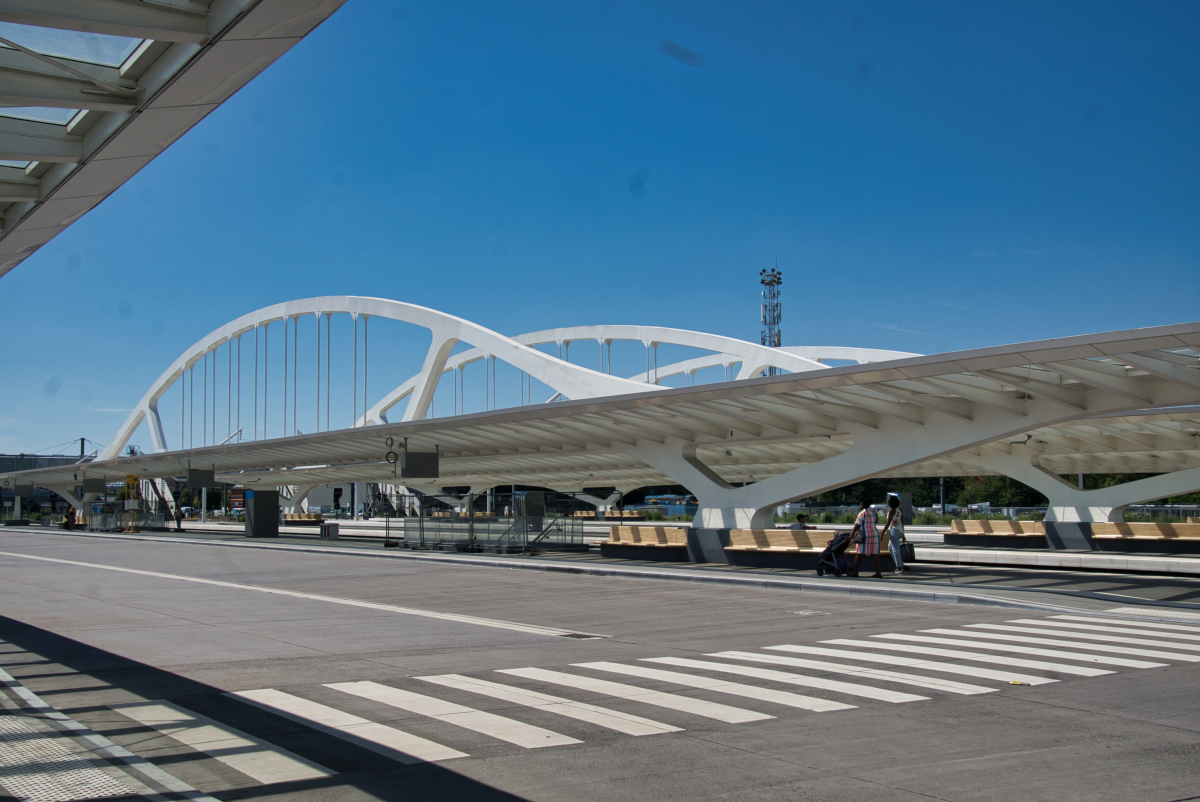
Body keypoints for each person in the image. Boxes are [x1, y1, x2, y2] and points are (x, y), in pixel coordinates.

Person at [850, 498, 883, 578]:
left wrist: (853, 533)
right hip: (874, 534)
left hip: (864, 535)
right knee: (874, 554)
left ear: (862, 505)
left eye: (860, 504)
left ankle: (856, 571)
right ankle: (878, 572)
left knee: (859, 553)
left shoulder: (862, 513)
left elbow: (857, 524)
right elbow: (875, 522)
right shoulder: (874, 513)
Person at [881, 494, 906, 575]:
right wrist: (903, 534)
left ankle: (899, 568)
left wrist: (882, 532)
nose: (887, 502)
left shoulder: (892, 510)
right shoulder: (900, 509)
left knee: (895, 549)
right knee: (890, 548)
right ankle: (899, 565)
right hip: (899, 530)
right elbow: (902, 522)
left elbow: (888, 523)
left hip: (894, 531)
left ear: (891, 502)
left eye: (888, 500)